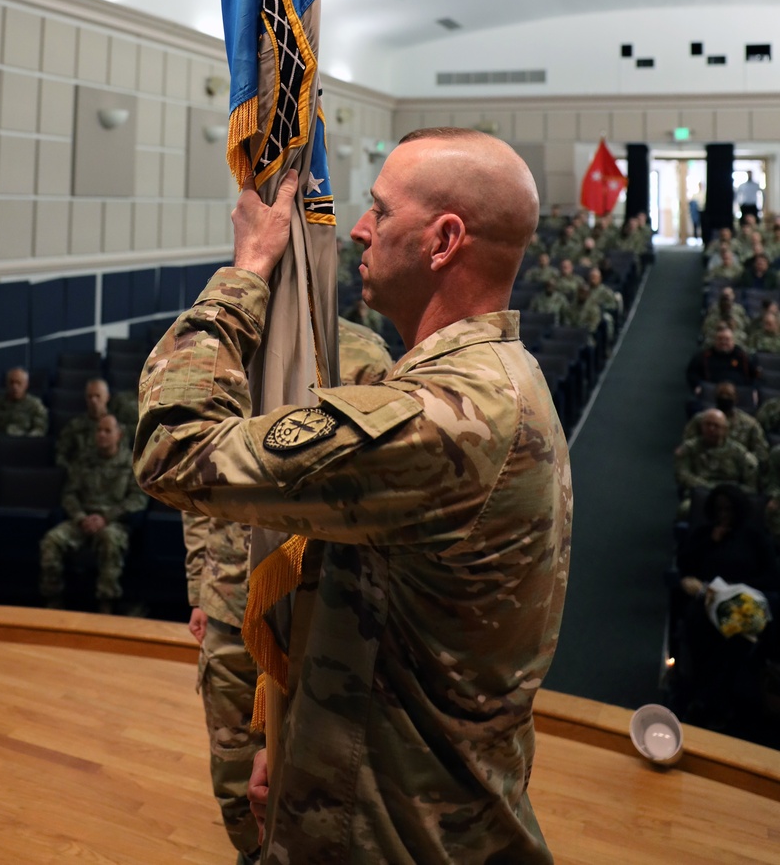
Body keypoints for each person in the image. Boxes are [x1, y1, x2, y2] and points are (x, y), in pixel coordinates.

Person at [136, 127, 571, 864]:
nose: (359, 230)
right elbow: (366, 593)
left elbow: (174, 452)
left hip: (399, 832)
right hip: (374, 789)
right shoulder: (489, 379)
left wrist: (245, 272)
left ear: (443, 241)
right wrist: (294, 720)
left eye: (380, 211)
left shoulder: (446, 420)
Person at [183, 317, 393, 864]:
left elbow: (377, 487)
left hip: (317, 611)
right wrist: (199, 590)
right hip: (231, 599)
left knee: (311, 776)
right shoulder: (231, 350)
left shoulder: (358, 353)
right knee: (234, 775)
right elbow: (195, 484)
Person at [671, 484, 778, 729]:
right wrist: (709, 542)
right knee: (700, 625)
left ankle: (709, 699)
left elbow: (772, 577)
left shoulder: (754, 537)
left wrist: (736, 586)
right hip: (706, 600)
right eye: (719, 509)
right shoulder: (704, 534)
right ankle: (711, 699)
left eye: (728, 509)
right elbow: (684, 565)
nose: (723, 514)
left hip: (743, 602)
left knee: (738, 635)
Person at [39, 414, 145, 612]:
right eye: (99, 430)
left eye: (107, 431)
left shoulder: (131, 463)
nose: (102, 435)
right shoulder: (83, 460)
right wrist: (80, 517)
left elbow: (137, 499)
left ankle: (106, 602)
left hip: (113, 523)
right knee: (51, 540)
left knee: (109, 540)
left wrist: (106, 518)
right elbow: (69, 494)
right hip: (82, 520)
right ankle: (54, 599)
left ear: (119, 435)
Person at [674, 410, 758, 513]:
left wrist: (729, 492)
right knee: (685, 510)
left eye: (716, 426)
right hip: (701, 494)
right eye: (708, 424)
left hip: (732, 497)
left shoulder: (739, 453)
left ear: (725, 430)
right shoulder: (689, 449)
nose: (711, 429)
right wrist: (710, 488)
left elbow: (751, 486)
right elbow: (682, 475)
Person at [681, 382, 769, 466]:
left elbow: (761, 453)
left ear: (736, 398)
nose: (725, 398)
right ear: (715, 397)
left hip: (737, 472)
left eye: (729, 395)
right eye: (721, 395)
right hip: (706, 469)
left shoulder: (750, 424)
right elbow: (687, 447)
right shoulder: (701, 420)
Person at [687, 324, 758, 400]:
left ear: (733, 341)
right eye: (720, 339)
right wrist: (697, 385)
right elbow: (692, 373)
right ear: (715, 340)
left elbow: (756, 375)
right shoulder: (704, 356)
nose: (723, 342)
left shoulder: (742, 356)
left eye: (727, 339)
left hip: (740, 394)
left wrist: (754, 389)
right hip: (711, 393)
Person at [56, 377, 113, 470]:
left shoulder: (117, 427)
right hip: (82, 477)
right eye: (90, 396)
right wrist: (72, 472)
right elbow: (60, 455)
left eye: (97, 396)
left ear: (107, 397)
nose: (93, 400)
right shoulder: (74, 426)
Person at [0, 367, 49, 436]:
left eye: (19, 383)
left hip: (22, 442)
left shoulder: (35, 405)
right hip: (0, 441)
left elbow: (40, 429)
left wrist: (27, 440)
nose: (14, 387)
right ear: (7, 384)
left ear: (26, 385)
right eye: (11, 383)